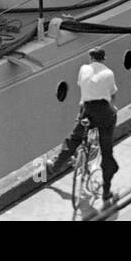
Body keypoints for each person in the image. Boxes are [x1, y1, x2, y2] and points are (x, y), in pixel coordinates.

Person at [46, 48, 120, 206]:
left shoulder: (83, 69)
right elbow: (113, 95)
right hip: (104, 111)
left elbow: (83, 88)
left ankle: (56, 165)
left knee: (74, 138)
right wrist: (112, 108)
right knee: (106, 149)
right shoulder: (108, 73)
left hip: (87, 109)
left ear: (91, 58)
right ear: (103, 59)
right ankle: (106, 191)